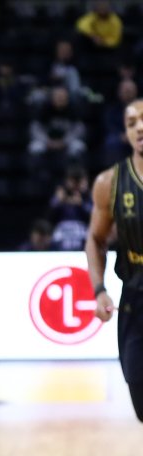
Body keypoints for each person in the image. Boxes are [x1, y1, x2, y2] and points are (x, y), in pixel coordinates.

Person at [86, 95, 143, 422]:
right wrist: (99, 290)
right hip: (135, 301)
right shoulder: (109, 183)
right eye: (131, 123)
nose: (140, 128)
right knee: (140, 403)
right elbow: (95, 239)